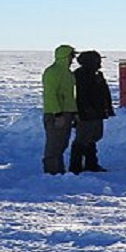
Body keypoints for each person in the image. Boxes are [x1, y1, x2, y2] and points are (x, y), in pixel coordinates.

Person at [72, 50, 116, 173]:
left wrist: (108, 107)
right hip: (86, 113)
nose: (100, 64)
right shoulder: (80, 75)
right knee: (82, 139)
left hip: (98, 111)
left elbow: (105, 92)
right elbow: (80, 95)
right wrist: (85, 110)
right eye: (97, 61)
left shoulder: (98, 74)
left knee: (93, 138)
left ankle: (91, 164)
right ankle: (75, 167)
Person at [41, 44, 78, 174]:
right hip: (55, 113)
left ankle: (59, 170)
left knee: (62, 143)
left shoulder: (68, 73)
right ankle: (51, 171)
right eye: (71, 56)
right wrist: (57, 114)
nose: (73, 59)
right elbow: (50, 94)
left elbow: (69, 95)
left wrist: (74, 112)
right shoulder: (52, 72)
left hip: (67, 112)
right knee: (54, 144)